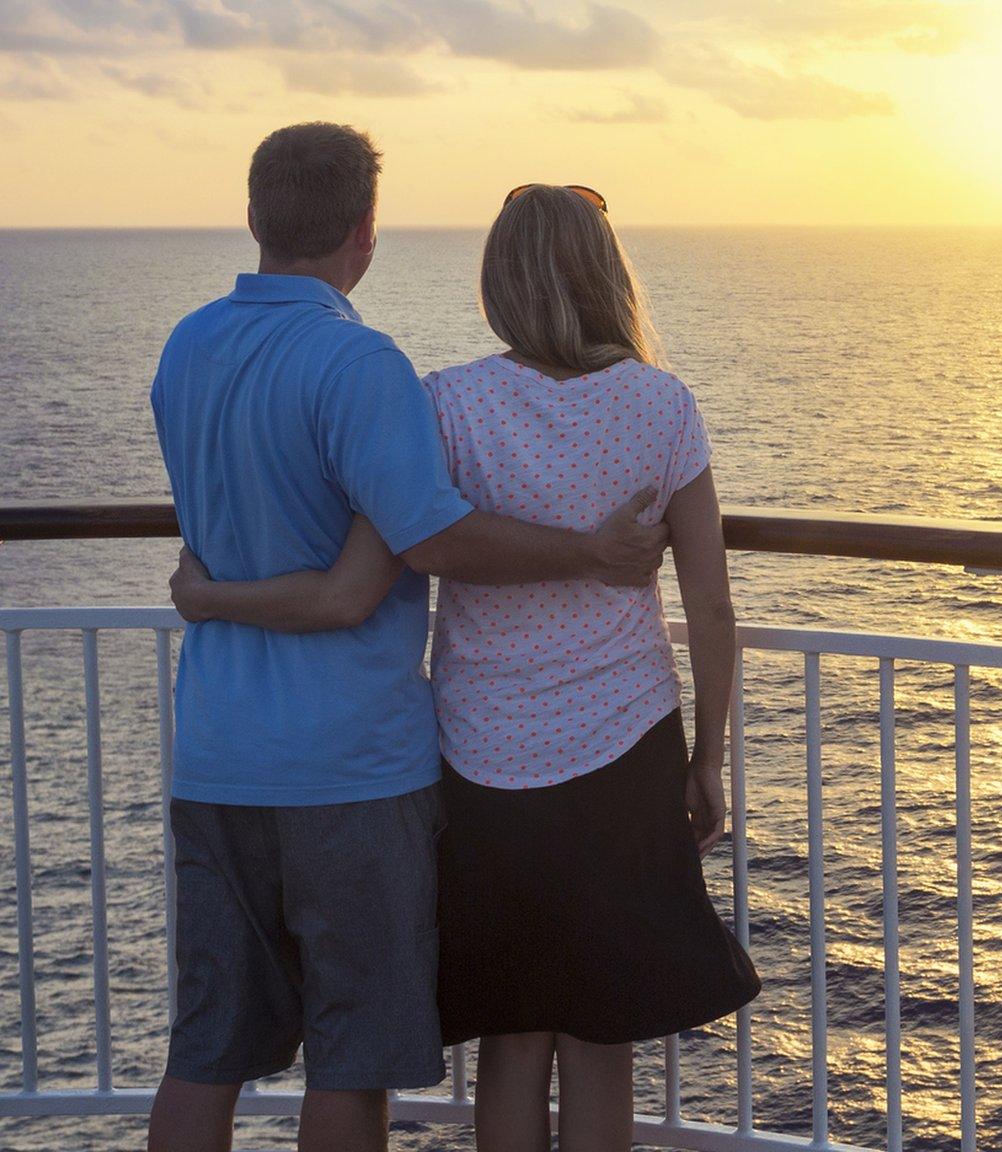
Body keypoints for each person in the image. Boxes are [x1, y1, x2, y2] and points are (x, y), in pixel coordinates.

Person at [170, 181, 759, 1152]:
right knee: (599, 1033)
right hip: (626, 745)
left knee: (514, 1033)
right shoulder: (663, 406)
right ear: (606, 275)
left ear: (500, 282)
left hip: (484, 756)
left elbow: (400, 547)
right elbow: (710, 603)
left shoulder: (446, 402)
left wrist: (220, 589)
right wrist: (708, 756)